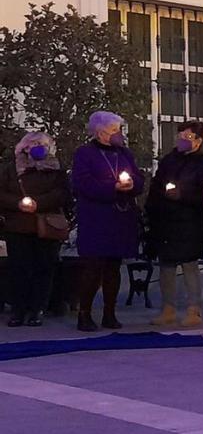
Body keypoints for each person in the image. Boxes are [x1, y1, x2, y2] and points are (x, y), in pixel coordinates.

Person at [72, 111, 145, 332]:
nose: (118, 134)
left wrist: (133, 184)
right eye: (114, 130)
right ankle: (84, 314)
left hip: (120, 217)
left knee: (113, 267)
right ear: (100, 132)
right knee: (93, 267)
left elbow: (139, 178)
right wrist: (111, 187)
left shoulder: (124, 153)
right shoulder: (85, 153)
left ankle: (110, 313)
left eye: (119, 130)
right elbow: (82, 184)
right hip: (96, 218)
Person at [146, 121, 203, 328]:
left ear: (198, 141)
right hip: (166, 220)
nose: (181, 141)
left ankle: (194, 309)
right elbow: (156, 185)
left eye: (187, 137)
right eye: (180, 137)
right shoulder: (169, 160)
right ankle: (168, 309)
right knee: (166, 265)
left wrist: (182, 195)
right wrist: (153, 209)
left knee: (189, 265)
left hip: (190, 221)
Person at [0, 132, 71, 327]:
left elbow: (63, 193)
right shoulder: (10, 169)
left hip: (47, 226)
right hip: (18, 226)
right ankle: (18, 310)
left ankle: (37, 309)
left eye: (42, 144)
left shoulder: (55, 169)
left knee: (44, 268)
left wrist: (39, 203)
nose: (38, 147)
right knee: (19, 269)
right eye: (33, 144)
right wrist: (17, 203)